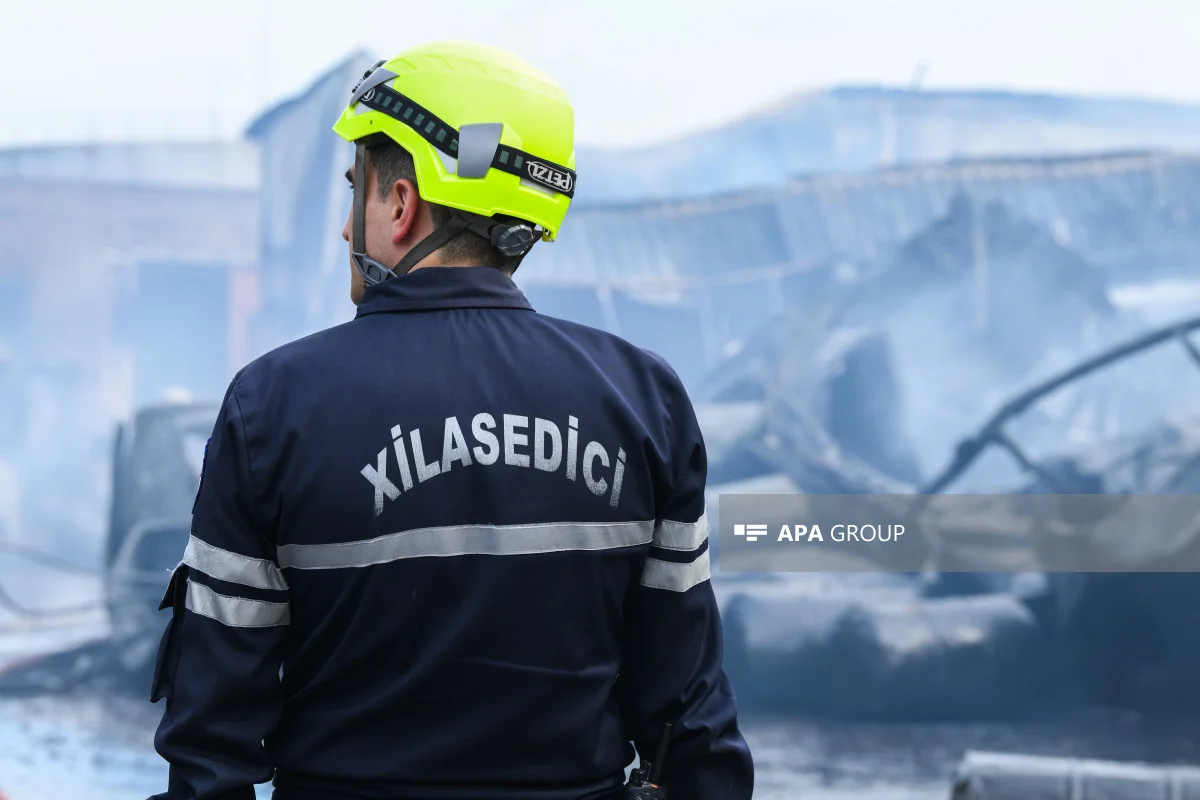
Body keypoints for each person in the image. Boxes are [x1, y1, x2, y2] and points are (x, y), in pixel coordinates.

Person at [148, 40, 753, 800]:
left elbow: (211, 745)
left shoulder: (273, 405)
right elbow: (689, 721)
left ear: (401, 204)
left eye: (354, 192)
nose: (344, 230)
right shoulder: (644, 400)